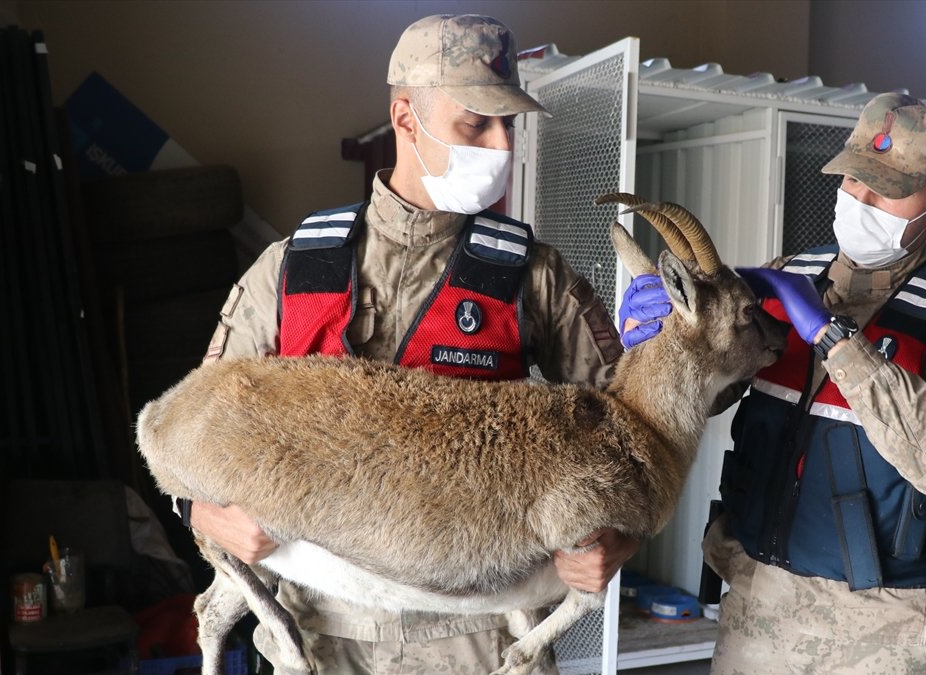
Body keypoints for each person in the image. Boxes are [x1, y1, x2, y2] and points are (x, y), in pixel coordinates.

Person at [181, 14, 638, 674]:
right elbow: (197, 425)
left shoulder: (531, 275)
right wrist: (205, 511)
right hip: (319, 631)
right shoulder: (292, 269)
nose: (501, 145)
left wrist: (612, 539)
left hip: (482, 634)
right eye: (476, 125)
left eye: (508, 126)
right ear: (406, 118)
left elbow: (632, 432)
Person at [619, 92, 926, 673]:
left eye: (888, 189)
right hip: (756, 595)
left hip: (878, 624)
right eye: (854, 179)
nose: (862, 199)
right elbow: (705, 398)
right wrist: (660, 341)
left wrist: (832, 337)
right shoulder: (784, 279)